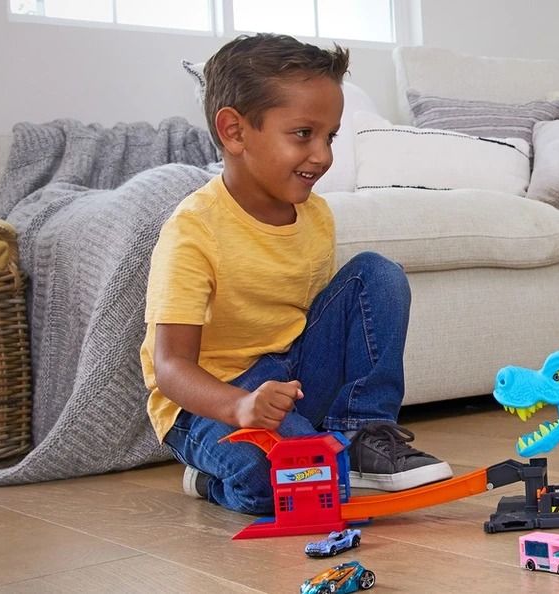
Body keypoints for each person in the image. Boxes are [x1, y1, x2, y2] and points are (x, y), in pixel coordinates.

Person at [141, 33, 449, 515]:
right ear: (235, 132)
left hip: (288, 379)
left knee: (377, 274)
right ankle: (211, 481)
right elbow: (171, 368)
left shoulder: (316, 216)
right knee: (287, 482)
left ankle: (361, 433)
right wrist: (239, 406)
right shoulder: (193, 231)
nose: (323, 155)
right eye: (304, 134)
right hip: (206, 402)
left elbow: (318, 323)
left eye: (330, 137)